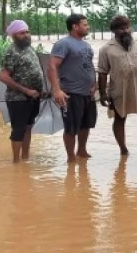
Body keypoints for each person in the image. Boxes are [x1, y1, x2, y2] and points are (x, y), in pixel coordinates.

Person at [97, 15, 137, 156]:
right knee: (119, 118)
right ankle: (123, 149)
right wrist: (103, 94)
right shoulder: (106, 49)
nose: (125, 31)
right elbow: (102, 72)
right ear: (114, 31)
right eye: (121, 28)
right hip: (119, 89)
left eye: (127, 27)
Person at [48, 14, 97, 163]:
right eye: (85, 25)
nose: (87, 27)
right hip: (71, 92)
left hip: (87, 92)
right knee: (71, 127)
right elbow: (52, 66)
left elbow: (89, 65)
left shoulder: (86, 45)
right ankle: (70, 158)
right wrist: (57, 90)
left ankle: (81, 151)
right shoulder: (63, 44)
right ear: (75, 26)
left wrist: (94, 83)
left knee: (85, 124)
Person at [0, 20, 44, 163]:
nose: (26, 35)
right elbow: (3, 76)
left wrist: (40, 91)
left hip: (34, 97)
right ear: (13, 35)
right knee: (18, 129)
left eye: (27, 32)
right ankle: (16, 162)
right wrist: (26, 90)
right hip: (17, 98)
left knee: (28, 126)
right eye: (22, 33)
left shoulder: (30, 49)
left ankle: (25, 158)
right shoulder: (11, 52)